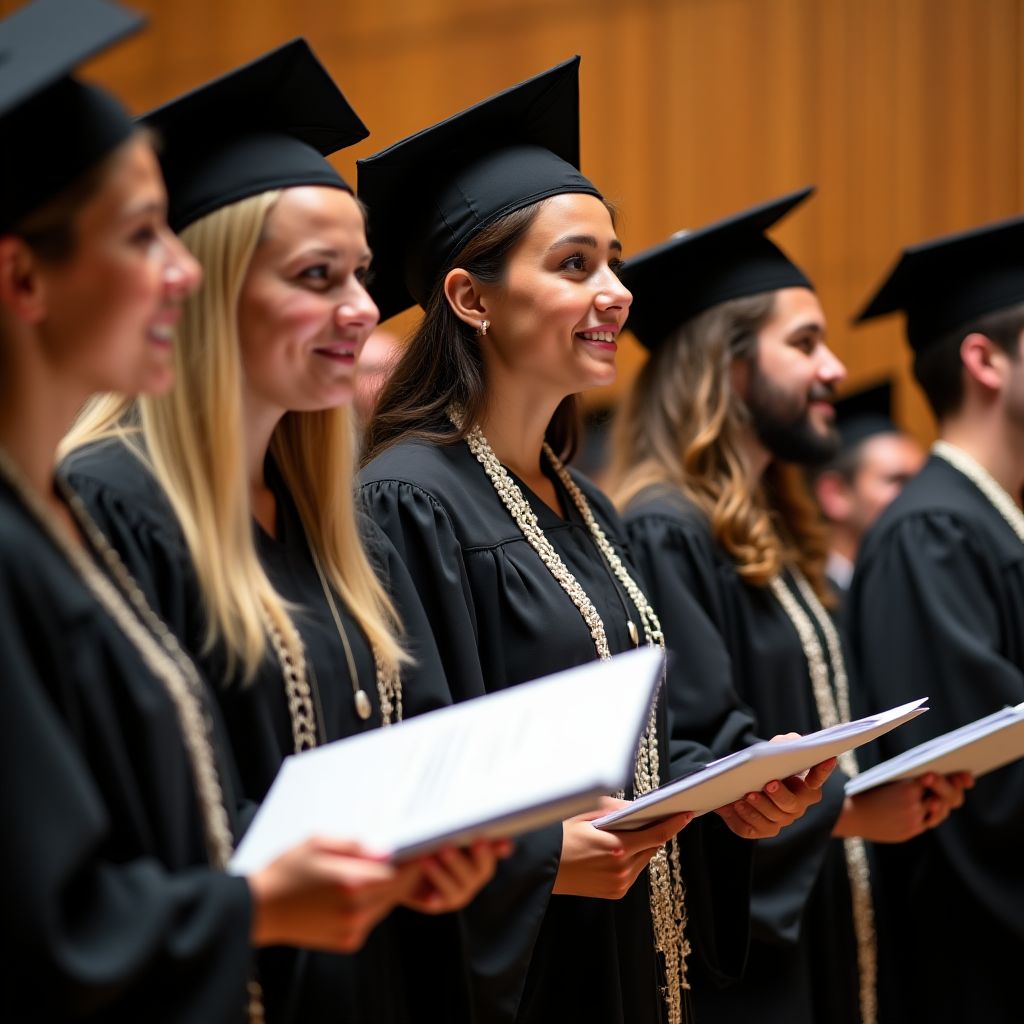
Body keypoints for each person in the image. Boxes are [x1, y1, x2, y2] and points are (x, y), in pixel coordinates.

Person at [358, 60, 832, 1024]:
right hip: (534, 979)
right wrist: (536, 862)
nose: (617, 292)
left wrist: (734, 793)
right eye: (575, 265)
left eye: (613, 261)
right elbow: (403, 776)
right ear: (471, 297)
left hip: (636, 960)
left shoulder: (584, 506)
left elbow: (643, 755)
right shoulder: (407, 500)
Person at [0, 4, 437, 1021]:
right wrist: (253, 903)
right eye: (143, 236)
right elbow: (50, 914)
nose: (182, 272)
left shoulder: (56, 517)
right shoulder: (89, 515)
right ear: (25, 276)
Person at [606, 188, 970, 1024]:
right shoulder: (669, 527)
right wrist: (846, 809)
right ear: (727, 367)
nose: (834, 370)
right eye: (805, 343)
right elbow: (695, 748)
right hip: (752, 970)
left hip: (827, 922)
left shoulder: (771, 525)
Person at [846, 215, 1024, 1023]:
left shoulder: (987, 521)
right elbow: (981, 785)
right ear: (985, 361)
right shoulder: (934, 534)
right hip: (978, 966)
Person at [807, 381, 924, 602]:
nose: (917, 495)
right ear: (835, 493)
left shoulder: (914, 590)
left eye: (919, 480)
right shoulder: (812, 599)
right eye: (897, 480)